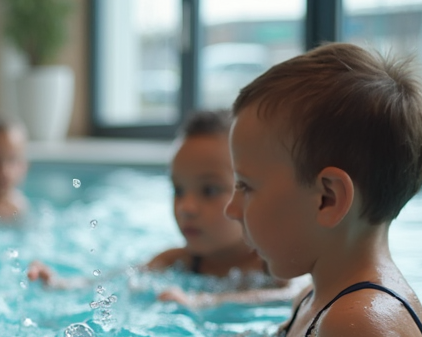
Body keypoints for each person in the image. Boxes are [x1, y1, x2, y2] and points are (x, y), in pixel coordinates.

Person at [227, 43, 422, 337]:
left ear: (327, 198)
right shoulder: (315, 299)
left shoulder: (358, 322)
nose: (231, 209)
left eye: (246, 186)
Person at [26, 110, 299, 308]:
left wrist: (206, 301)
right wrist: (62, 284)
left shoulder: (272, 264)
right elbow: (115, 282)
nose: (186, 207)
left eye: (209, 190)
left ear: (249, 191)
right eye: (178, 190)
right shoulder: (178, 260)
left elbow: (293, 294)